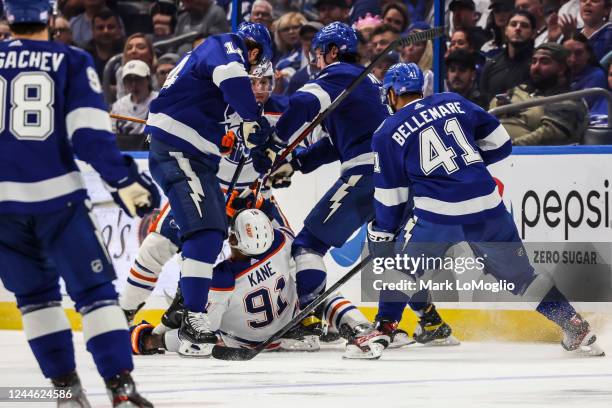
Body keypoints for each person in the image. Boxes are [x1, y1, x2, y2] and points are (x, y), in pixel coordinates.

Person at [369, 61, 603, 357]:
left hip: (439, 214)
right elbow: (501, 144)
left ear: (391, 94)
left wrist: (385, 231)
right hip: (488, 204)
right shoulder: (453, 101)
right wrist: (465, 171)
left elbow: (391, 197)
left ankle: (382, 330)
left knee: (404, 268)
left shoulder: (387, 131)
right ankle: (575, 326)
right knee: (522, 276)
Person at [0, 1, 161, 406]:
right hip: (57, 201)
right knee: (95, 294)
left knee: (36, 301)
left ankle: (66, 393)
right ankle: (120, 389)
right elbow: (89, 135)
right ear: (47, 16)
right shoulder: (69, 60)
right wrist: (127, 183)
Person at [120, 61, 291, 328]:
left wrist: (289, 163)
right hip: (209, 189)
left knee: (290, 248)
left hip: (256, 195)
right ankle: (126, 312)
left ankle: (304, 316)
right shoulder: (214, 104)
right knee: (158, 246)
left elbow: (302, 145)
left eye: (264, 83)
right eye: (252, 82)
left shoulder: (282, 112)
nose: (258, 90)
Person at [252, 22, 390, 340]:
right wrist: (297, 163)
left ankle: (310, 317)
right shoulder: (365, 82)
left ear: (331, 52)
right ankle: (430, 321)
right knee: (394, 252)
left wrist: (274, 147)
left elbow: (301, 104)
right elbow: (334, 145)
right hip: (391, 179)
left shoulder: (339, 74)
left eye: (317, 55)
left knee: (307, 245)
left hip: (366, 175)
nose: (315, 63)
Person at [144, 22, 273, 357]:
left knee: (211, 233)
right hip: (177, 149)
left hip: (191, 155)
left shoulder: (212, 68)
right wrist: (253, 119)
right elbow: (233, 78)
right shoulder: (226, 45)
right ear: (254, 50)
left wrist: (259, 144)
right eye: (254, 65)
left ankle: (188, 314)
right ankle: (192, 316)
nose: (251, 73)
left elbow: (239, 128)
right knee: (201, 233)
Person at [130, 209, 390, 359]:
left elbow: (210, 327)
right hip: (289, 323)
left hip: (245, 341)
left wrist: (182, 314)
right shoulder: (283, 240)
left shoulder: (222, 275)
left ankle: (149, 342)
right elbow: (300, 276)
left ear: (234, 240)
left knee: (193, 336)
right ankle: (359, 326)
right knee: (326, 295)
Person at [491, 42, 589, 145]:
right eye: (534, 61)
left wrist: (509, 147)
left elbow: (549, 135)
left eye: (544, 62)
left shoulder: (568, 99)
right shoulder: (517, 90)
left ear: (561, 69)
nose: (536, 67)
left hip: (533, 156)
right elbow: (490, 113)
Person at [479, 10, 536, 105]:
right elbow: (482, 98)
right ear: (506, 30)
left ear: (533, 33)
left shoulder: (537, 64)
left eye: (524, 25)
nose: (518, 28)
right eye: (513, 24)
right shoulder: (492, 64)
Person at [111, 60, 159, 149]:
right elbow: (112, 134)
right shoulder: (118, 106)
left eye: (138, 79)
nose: (134, 85)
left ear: (148, 79)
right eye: (129, 80)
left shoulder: (159, 101)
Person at [563, 32, 608, 119]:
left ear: (589, 54)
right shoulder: (558, 73)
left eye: (578, 53)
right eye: (567, 53)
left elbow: (579, 110)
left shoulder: (597, 76)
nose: (572, 59)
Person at [84, 8, 124, 80]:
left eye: (110, 27)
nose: (105, 31)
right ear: (92, 31)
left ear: (120, 30)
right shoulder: (84, 56)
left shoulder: (127, 52)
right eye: (100, 28)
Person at [116, 33, 158, 100]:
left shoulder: (160, 71)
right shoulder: (121, 72)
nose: (133, 51)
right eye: (129, 48)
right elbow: (121, 100)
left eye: (141, 47)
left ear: (150, 54)